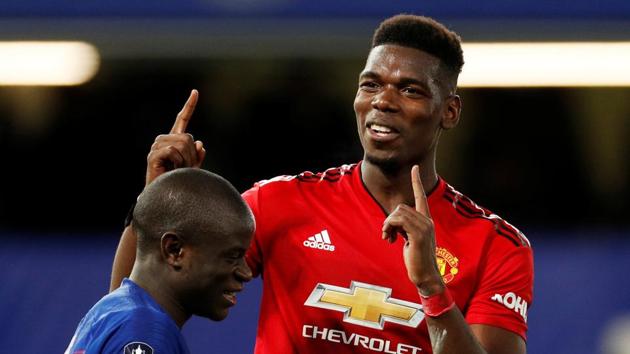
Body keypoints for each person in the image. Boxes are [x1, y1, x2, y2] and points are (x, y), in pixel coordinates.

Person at [110, 14, 533, 354]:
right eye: (370, 84)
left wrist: (431, 287)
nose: (383, 101)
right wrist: (153, 204)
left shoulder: (497, 246)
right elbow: (135, 310)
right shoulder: (279, 202)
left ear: (450, 111)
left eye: (409, 89)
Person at [68, 168, 254, 354]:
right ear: (174, 250)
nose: (246, 273)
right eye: (233, 257)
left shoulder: (112, 310)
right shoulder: (145, 332)